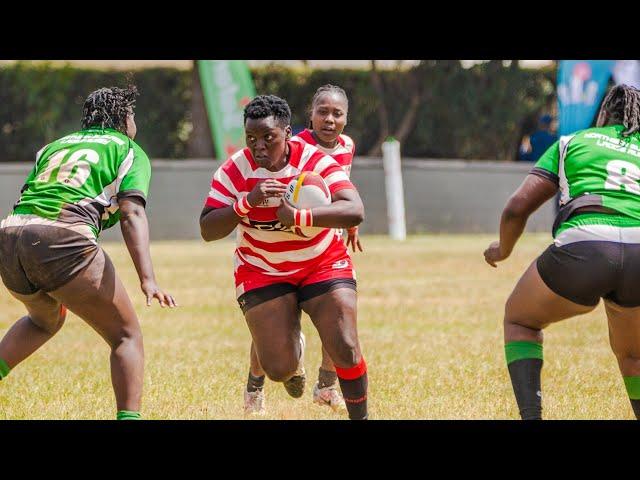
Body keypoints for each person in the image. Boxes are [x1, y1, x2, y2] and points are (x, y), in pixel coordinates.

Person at [0, 85, 176, 420]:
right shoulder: (128, 148)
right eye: (132, 114)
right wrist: (148, 279)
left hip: (9, 235)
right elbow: (132, 213)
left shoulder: (54, 146)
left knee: (44, 321)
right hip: (61, 238)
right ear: (123, 119)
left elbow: (37, 196)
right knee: (126, 336)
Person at [200, 94, 369, 420]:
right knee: (279, 369)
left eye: (268, 138)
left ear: (287, 133)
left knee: (345, 346)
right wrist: (245, 203)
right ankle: (293, 346)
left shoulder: (314, 160)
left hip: (321, 261)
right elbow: (207, 228)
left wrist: (301, 217)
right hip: (262, 270)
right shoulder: (235, 170)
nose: (259, 146)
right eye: (251, 139)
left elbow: (354, 210)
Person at [484, 84, 640, 420]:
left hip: (585, 246)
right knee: (633, 356)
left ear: (602, 114)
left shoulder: (573, 142)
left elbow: (517, 208)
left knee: (520, 318)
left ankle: (531, 416)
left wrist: (503, 249)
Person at [244, 85, 362, 413]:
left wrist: (348, 222)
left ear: (346, 119)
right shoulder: (295, 145)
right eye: (322, 111)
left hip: (324, 237)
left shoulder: (347, 146)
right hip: (283, 238)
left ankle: (326, 385)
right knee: (271, 318)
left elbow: (339, 187)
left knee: (338, 314)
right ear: (309, 115)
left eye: (337, 113)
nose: (329, 119)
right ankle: (255, 384)